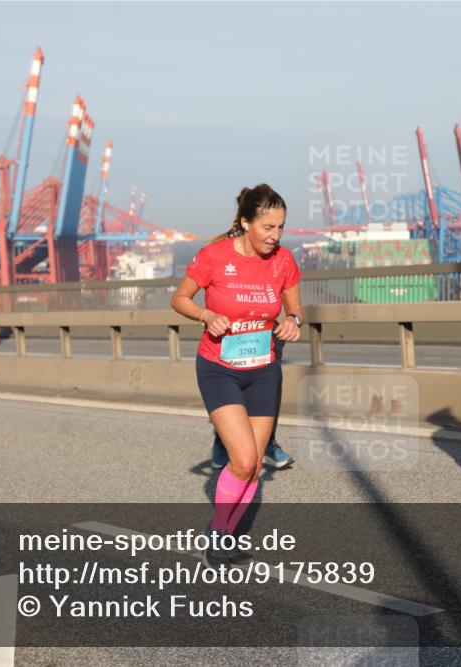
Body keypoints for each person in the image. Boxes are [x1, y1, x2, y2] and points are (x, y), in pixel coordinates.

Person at [171, 184, 303, 569]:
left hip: (263, 370)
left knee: (255, 463)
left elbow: (294, 309)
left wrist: (292, 322)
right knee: (243, 459)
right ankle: (219, 533)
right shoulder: (214, 257)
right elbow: (179, 298)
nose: (275, 236)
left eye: (280, 227)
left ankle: (223, 537)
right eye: (267, 227)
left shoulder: (284, 261)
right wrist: (206, 315)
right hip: (219, 368)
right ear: (246, 222)